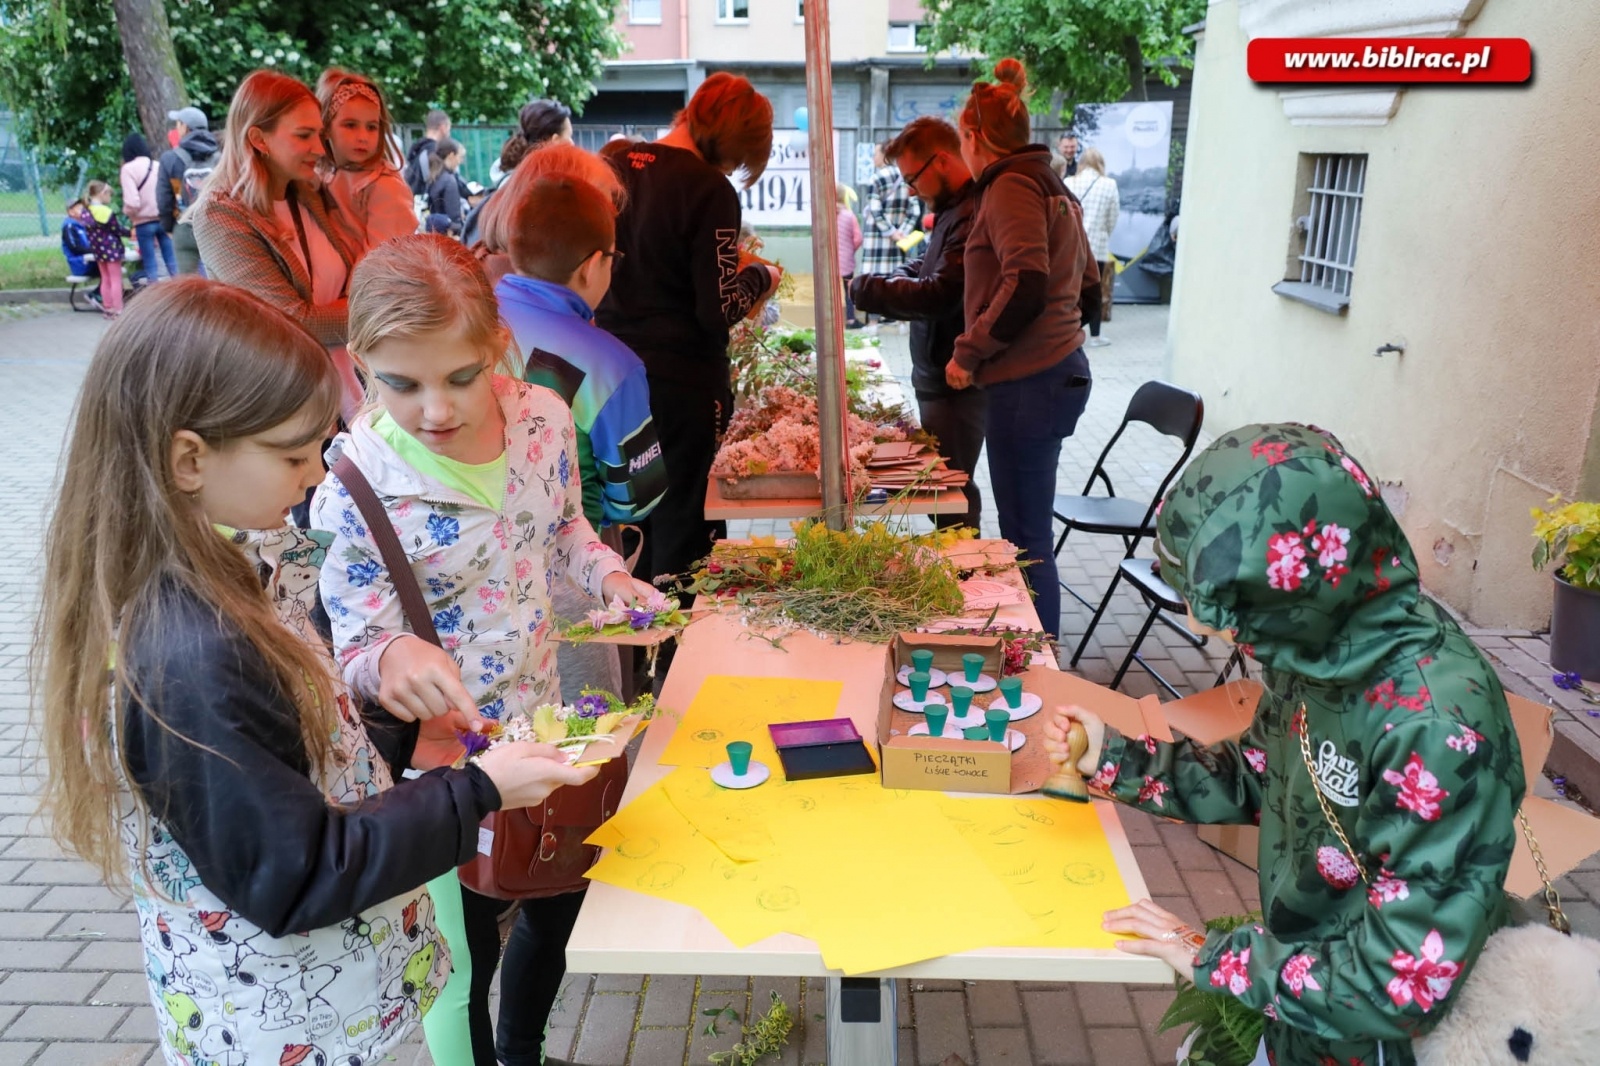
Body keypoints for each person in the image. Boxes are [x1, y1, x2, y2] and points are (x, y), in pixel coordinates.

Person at [35, 277, 597, 1066]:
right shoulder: (190, 653)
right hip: (289, 1032)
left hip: (324, 1011)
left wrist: (393, 706)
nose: (317, 473)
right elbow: (295, 874)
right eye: (296, 454)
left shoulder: (229, 571)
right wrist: (478, 789)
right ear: (189, 459)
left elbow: (295, 763)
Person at [1042, 422, 1524, 1066]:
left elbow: (1400, 986)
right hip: (1304, 1000)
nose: (1199, 626)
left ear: (1302, 584)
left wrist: (1210, 957)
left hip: (1376, 1043)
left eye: (1229, 607)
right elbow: (1256, 776)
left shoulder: (1436, 731)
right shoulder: (1323, 643)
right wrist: (1114, 756)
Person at [312, 235, 657, 1066]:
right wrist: (388, 657)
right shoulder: (354, 478)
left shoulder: (542, 418)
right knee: (462, 954)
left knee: (554, 902)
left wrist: (611, 577)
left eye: (460, 377)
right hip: (441, 767)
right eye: (402, 383)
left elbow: (566, 525)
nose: (436, 408)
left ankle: (523, 1052)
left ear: (498, 346)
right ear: (360, 365)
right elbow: (352, 639)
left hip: (539, 727)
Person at [595, 72, 780, 587]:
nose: (732, 169)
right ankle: (677, 655)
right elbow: (716, 309)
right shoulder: (709, 189)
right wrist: (760, 276)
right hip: (683, 385)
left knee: (628, 515)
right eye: (737, 158)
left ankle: (632, 652)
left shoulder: (615, 163)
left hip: (612, 376)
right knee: (685, 521)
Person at [946, 58, 1099, 639]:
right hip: (1051, 373)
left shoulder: (1010, 184)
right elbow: (1087, 284)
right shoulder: (1049, 182)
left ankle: (1039, 663)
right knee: (1026, 532)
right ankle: (1038, 654)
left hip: (1029, 383)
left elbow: (1026, 280)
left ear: (973, 137)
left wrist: (969, 352)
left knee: (1025, 539)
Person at [188, 69, 366, 422]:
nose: (319, 148)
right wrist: (379, 312)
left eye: (319, 134)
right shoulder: (222, 214)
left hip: (342, 387)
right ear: (258, 139)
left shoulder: (306, 192)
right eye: (304, 136)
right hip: (281, 398)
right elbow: (290, 322)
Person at [850, 116, 984, 531]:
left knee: (952, 490)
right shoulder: (950, 209)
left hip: (956, 379)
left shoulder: (970, 211)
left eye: (913, 178)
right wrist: (894, 277)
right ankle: (961, 567)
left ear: (941, 161)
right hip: (936, 374)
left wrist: (869, 289)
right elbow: (929, 268)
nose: (910, 189)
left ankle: (967, 577)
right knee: (944, 489)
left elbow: (941, 292)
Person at [318, 67, 419, 247]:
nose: (363, 137)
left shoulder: (385, 187)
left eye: (372, 127)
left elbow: (382, 262)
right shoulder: (322, 174)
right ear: (325, 128)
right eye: (350, 125)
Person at [466, 98, 574, 246]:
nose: (572, 144)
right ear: (555, 140)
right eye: (569, 136)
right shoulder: (537, 192)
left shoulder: (508, 183)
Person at [1066, 147, 1120, 348]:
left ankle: (1070, 332)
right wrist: (1104, 232)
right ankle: (1095, 336)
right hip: (1097, 245)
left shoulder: (1069, 182)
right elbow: (1113, 216)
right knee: (1094, 290)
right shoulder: (1109, 184)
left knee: (1071, 288)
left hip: (1071, 244)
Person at [156, 105, 219, 275]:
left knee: (190, 286)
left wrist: (169, 228)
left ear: (185, 127)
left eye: (178, 124)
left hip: (184, 226)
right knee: (222, 284)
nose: (176, 128)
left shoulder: (170, 159)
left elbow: (164, 200)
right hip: (217, 226)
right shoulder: (221, 157)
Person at [860, 140, 920, 281]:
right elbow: (915, 211)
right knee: (895, 286)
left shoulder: (876, 179)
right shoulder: (907, 177)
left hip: (875, 247)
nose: (873, 158)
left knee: (873, 290)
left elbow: (876, 211)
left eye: (875, 154)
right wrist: (902, 233)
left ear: (884, 155)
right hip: (898, 248)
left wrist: (890, 232)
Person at [120, 133, 175, 285]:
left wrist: (130, 214)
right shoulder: (157, 165)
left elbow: (132, 202)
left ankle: (154, 300)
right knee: (172, 261)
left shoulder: (128, 169)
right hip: (163, 220)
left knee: (151, 265)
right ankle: (181, 294)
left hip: (143, 223)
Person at [82, 180, 130, 318]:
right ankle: (118, 309)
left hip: (98, 250)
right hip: (112, 249)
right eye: (109, 194)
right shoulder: (106, 212)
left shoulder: (86, 211)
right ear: (103, 194)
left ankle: (108, 308)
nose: (110, 197)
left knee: (105, 279)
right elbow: (116, 229)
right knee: (116, 279)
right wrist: (131, 233)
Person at [60, 199, 99, 307]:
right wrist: (95, 250)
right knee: (108, 269)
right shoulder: (69, 226)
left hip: (90, 261)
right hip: (80, 264)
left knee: (111, 267)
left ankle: (102, 294)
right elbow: (75, 248)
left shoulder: (83, 225)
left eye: (84, 208)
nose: (84, 211)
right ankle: (95, 295)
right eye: (80, 209)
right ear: (71, 212)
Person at [425, 136, 467, 235]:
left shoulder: (433, 176)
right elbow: (454, 219)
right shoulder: (449, 181)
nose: (460, 161)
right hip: (447, 237)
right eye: (459, 157)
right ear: (451, 155)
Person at [405, 107, 452, 195]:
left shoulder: (417, 150)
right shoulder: (436, 152)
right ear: (443, 127)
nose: (449, 132)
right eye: (449, 127)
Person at [835, 181, 863, 328]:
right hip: (846, 261)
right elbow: (858, 238)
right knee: (848, 291)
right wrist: (850, 249)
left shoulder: (825, 216)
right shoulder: (849, 215)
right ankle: (850, 320)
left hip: (829, 263)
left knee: (831, 292)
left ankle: (832, 321)